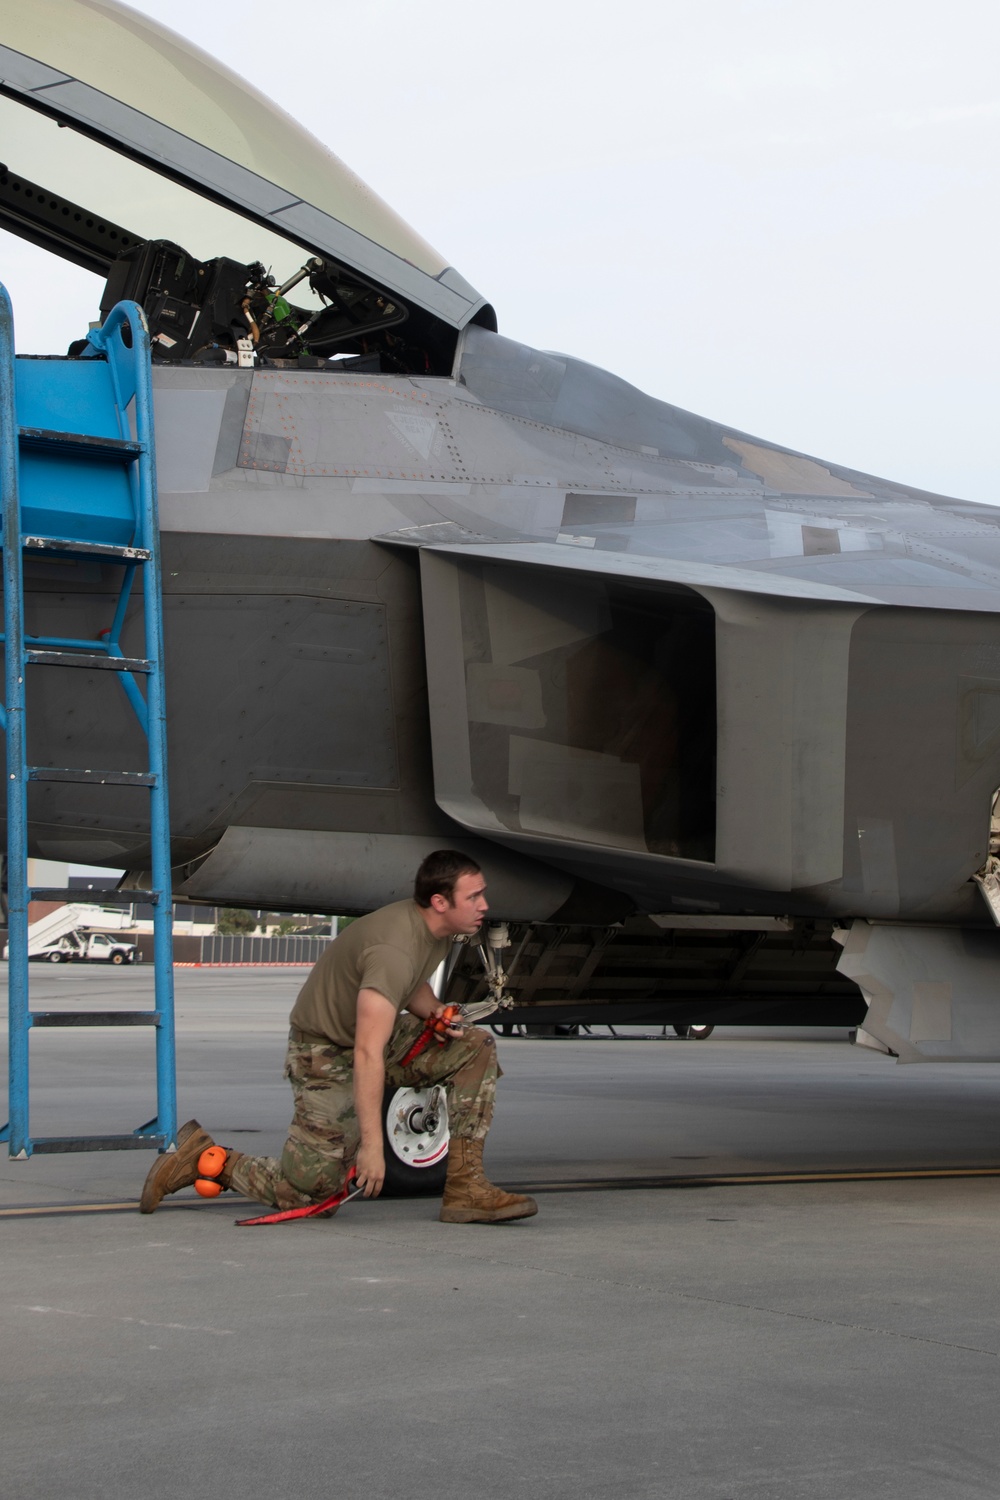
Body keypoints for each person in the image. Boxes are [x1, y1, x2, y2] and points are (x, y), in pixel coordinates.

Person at [140, 850, 537, 1224]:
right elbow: (367, 1053)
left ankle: (466, 1189)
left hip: (360, 1038)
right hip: (323, 1053)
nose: (484, 904)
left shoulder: (434, 931)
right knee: (311, 1194)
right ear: (439, 902)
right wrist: (372, 1148)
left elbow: (411, 985)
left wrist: (434, 1012)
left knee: (472, 1046)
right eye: (474, 896)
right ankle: (206, 1161)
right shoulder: (393, 950)